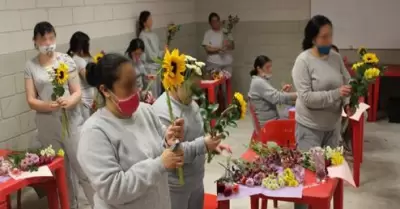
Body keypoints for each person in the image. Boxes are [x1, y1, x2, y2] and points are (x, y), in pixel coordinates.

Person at [77, 53, 223, 209]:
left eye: (136, 83)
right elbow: (113, 189)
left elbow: (161, 146)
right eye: (128, 86)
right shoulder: (95, 132)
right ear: (105, 90)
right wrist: (160, 164)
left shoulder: (145, 111)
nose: (136, 91)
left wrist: (169, 139)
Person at [24, 21, 89, 209]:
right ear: (35, 41)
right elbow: (31, 99)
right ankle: (69, 205)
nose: (48, 42)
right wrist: (47, 105)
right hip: (48, 125)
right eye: (43, 39)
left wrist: (70, 101)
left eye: (51, 37)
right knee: (62, 172)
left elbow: (77, 91)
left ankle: (98, 204)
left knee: (82, 167)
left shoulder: (66, 61)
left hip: (71, 120)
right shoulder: (30, 66)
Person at [291, 15, 352, 209]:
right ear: (313, 38)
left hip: (331, 130)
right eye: (324, 37)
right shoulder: (303, 62)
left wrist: (347, 102)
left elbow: (347, 82)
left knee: (327, 179)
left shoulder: (334, 58)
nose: (328, 41)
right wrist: (336, 94)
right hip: (310, 131)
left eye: (330, 36)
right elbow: (307, 98)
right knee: (309, 180)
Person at [152, 71, 231, 209]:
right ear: (176, 83)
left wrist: (212, 146)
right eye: (191, 87)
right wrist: (203, 145)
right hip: (176, 187)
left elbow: (196, 134)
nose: (195, 92)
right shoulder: (162, 111)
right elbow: (172, 155)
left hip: (196, 180)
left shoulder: (190, 102)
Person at [248, 55, 297, 127]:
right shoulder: (259, 82)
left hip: (270, 120)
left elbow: (272, 97)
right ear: (259, 69)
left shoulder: (260, 80)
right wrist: (297, 95)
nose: (270, 69)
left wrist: (282, 92)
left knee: (289, 111)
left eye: (270, 67)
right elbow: (276, 98)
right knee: (295, 119)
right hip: (268, 124)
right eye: (267, 67)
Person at [67, 31, 95, 121]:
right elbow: (89, 80)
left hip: (82, 100)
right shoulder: (79, 61)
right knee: (86, 128)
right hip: (84, 101)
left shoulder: (70, 57)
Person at [137, 11, 165, 97]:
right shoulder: (143, 36)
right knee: (152, 94)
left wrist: (164, 51)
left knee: (158, 92)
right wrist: (162, 52)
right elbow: (150, 55)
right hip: (150, 69)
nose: (151, 21)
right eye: (149, 19)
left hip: (157, 67)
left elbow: (157, 50)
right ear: (144, 22)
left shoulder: (153, 34)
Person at [125, 38, 155, 103]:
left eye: (140, 54)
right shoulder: (126, 62)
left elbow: (141, 70)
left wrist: (147, 75)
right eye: (136, 53)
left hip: (139, 89)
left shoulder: (138, 58)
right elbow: (127, 80)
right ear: (131, 51)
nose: (138, 56)